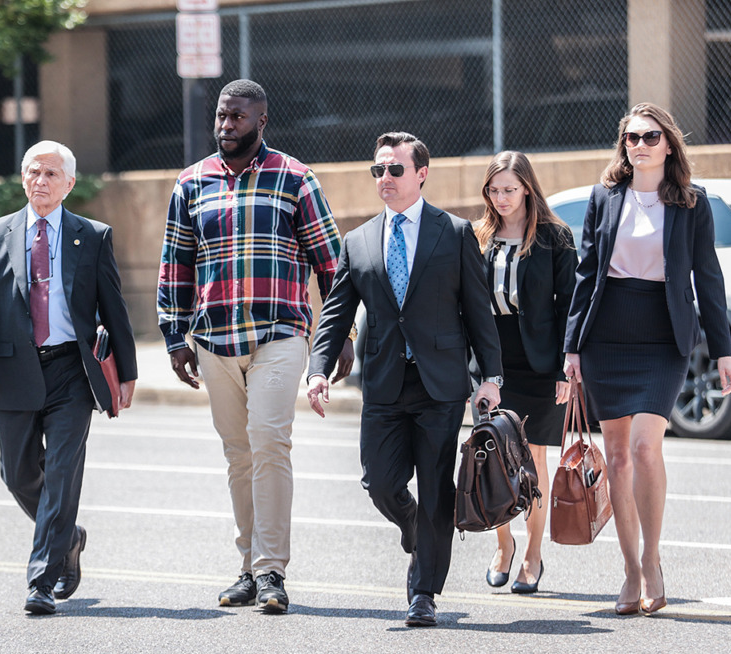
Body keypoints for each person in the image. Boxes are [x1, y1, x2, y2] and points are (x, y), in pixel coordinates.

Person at [157, 79, 350, 615]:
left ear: (261, 121)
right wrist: (175, 336)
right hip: (215, 339)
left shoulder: (295, 179)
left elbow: (332, 266)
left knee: (268, 441)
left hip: (279, 335)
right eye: (221, 116)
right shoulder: (191, 184)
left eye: (237, 117)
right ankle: (247, 567)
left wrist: (342, 336)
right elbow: (175, 266)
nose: (226, 126)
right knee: (238, 455)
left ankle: (271, 572)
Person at [306, 131, 503, 628]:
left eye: (395, 170)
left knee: (437, 488)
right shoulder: (358, 240)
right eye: (378, 170)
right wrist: (317, 371)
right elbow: (335, 315)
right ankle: (411, 523)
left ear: (421, 174)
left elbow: (479, 313)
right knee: (379, 481)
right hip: (385, 383)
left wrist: (490, 377)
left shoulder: (453, 233)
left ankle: (424, 593)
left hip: (440, 384)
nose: (385, 179)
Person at [563, 103, 731, 616]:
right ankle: (630, 570)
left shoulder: (690, 203)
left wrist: (723, 351)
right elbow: (586, 274)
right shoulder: (604, 197)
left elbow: (708, 278)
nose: (639, 144)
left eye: (650, 136)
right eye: (632, 137)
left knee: (644, 449)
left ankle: (654, 557)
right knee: (615, 457)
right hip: (607, 337)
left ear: (668, 145)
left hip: (662, 339)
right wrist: (572, 347)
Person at [0, 140, 138, 615]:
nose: (41, 181)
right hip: (13, 367)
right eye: (34, 172)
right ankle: (68, 536)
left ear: (69, 184)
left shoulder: (92, 235)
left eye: (52, 174)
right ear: (23, 178)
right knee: (16, 474)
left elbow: (114, 308)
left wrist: (127, 372)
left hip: (72, 371)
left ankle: (41, 580)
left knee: (61, 473)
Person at [470, 151, 576, 594]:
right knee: (494, 456)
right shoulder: (477, 236)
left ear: (527, 188)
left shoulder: (555, 237)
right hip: (493, 361)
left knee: (533, 460)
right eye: (494, 191)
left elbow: (570, 304)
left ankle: (533, 553)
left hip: (541, 363)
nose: (501, 199)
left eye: (509, 190)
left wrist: (568, 367)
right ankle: (504, 543)